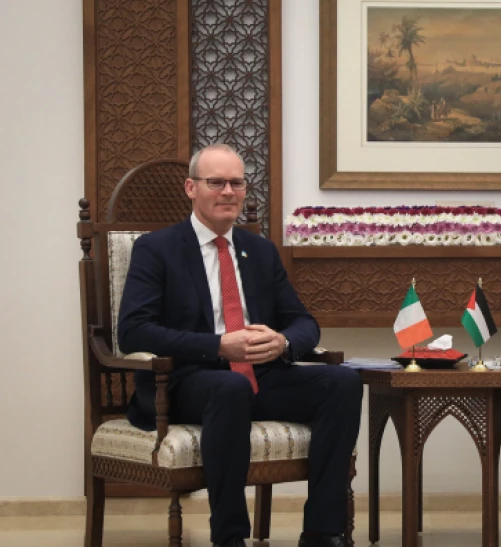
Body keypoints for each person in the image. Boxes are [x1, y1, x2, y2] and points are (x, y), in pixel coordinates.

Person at [118, 144, 362, 547]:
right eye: (216, 182)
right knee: (229, 388)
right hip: (184, 382)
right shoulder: (156, 249)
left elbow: (305, 323)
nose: (228, 191)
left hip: (254, 377)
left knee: (342, 382)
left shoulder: (260, 251)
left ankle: (322, 530)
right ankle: (229, 537)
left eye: (237, 183)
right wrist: (216, 346)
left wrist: (284, 342)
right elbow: (134, 331)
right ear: (191, 188)